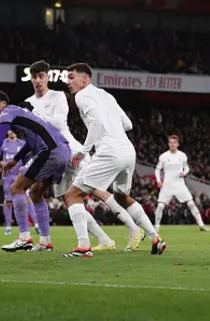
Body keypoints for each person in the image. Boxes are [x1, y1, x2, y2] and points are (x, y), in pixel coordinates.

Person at [26, 60, 137, 250]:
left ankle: (133, 228)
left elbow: (60, 123)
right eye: (34, 77)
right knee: (70, 200)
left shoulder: (58, 96)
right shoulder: (29, 102)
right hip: (53, 156)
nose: (37, 80)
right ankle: (104, 240)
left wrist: (33, 114)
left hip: (70, 150)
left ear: (47, 77)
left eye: (41, 76)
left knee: (96, 191)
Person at [64, 63, 166, 258]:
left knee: (72, 195)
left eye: (71, 77)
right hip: (128, 150)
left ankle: (83, 247)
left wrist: (83, 152)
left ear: (85, 79)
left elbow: (95, 122)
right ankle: (155, 238)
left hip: (109, 151)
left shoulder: (82, 95)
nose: (68, 82)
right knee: (121, 197)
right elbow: (128, 124)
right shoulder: (106, 95)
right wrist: (112, 128)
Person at [0, 90, 70, 253]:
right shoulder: (21, 115)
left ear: (3, 104)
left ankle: (24, 237)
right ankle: (45, 241)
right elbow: (31, 142)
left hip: (50, 151)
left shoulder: (8, 112)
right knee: (35, 193)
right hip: (62, 149)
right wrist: (14, 160)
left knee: (17, 188)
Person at [154, 135, 209, 232]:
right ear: (168, 144)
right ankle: (156, 226)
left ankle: (201, 225)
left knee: (191, 204)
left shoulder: (182, 155)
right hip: (167, 184)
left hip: (179, 184)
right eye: (171, 142)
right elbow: (157, 169)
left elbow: (187, 168)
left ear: (178, 144)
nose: (172, 144)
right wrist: (158, 180)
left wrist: (184, 172)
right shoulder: (163, 156)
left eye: (174, 142)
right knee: (161, 206)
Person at [0, 130, 24, 236]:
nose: (11, 132)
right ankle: (8, 227)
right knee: (8, 201)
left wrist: (24, 166)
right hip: (7, 176)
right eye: (9, 130)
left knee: (22, 201)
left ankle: (24, 226)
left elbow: (30, 157)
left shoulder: (22, 144)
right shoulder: (3, 143)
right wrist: (0, 162)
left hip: (20, 175)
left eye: (13, 130)